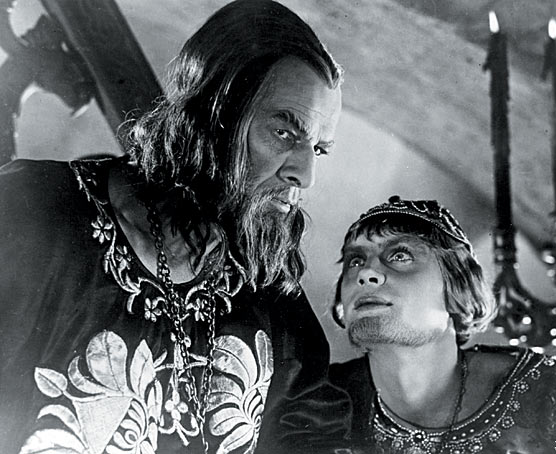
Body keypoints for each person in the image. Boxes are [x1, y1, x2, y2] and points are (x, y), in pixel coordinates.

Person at [0, 1, 351, 453]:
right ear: (213, 111)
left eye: (318, 149)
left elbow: (316, 435)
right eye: (284, 133)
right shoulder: (34, 211)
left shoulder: (269, 290)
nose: (305, 175)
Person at [329, 196, 556, 453]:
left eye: (400, 256)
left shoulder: (548, 397)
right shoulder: (317, 398)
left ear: (457, 285)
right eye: (355, 260)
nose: (365, 273)